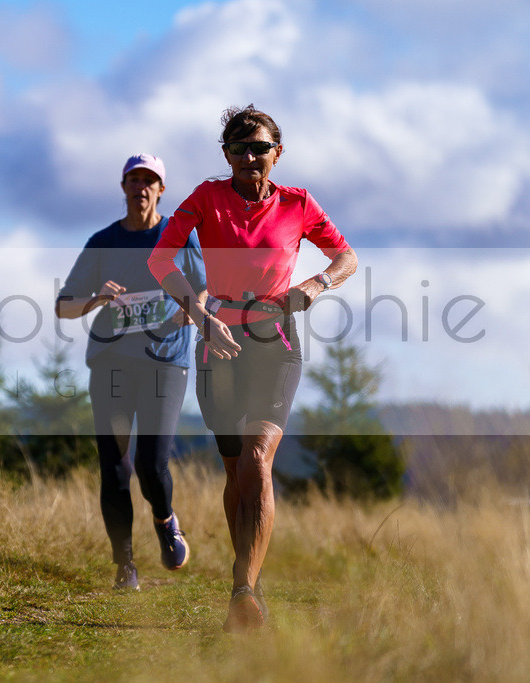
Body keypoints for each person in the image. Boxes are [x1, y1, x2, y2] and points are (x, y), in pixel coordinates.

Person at [147, 105, 358, 632]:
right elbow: (161, 259)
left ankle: (243, 588)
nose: (249, 157)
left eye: (260, 147)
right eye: (238, 148)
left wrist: (313, 287)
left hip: (275, 342)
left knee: (259, 457)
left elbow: (346, 258)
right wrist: (201, 318)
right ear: (226, 155)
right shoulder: (205, 198)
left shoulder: (298, 204)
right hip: (217, 343)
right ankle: (250, 579)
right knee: (236, 472)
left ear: (277, 153)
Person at [57, 154, 207, 591]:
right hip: (112, 364)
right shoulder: (102, 241)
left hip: (165, 362)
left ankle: (165, 519)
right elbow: (63, 306)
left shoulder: (178, 237)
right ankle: (125, 565)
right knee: (115, 467)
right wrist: (97, 299)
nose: (142, 187)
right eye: (134, 179)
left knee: (151, 463)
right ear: (123, 187)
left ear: (162, 190)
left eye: (151, 181)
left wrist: (188, 312)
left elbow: (204, 288)